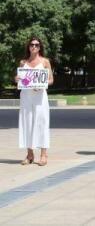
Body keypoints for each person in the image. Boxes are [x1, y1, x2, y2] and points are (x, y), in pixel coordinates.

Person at [16, 37, 53, 166]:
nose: (34, 47)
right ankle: (30, 154)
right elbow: (19, 78)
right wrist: (17, 79)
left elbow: (50, 80)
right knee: (27, 123)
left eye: (37, 45)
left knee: (42, 123)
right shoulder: (23, 62)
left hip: (40, 97)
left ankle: (43, 154)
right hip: (26, 96)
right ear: (28, 46)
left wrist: (42, 84)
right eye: (32, 44)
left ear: (40, 47)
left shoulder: (45, 62)